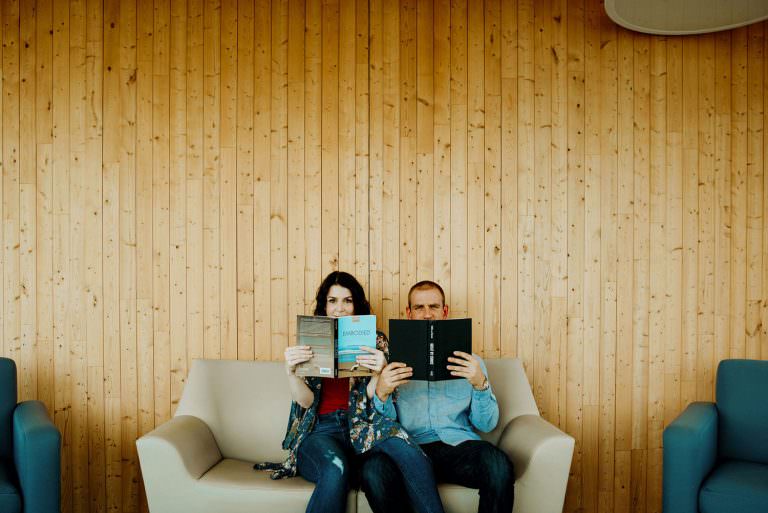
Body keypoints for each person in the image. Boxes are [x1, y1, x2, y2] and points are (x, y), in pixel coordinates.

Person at [255, 271, 445, 513]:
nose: (340, 309)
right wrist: (291, 373)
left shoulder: (377, 341)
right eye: (333, 301)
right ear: (324, 306)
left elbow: (371, 400)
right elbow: (306, 402)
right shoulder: (311, 341)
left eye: (347, 301)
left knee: (411, 452)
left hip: (365, 425)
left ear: (357, 305)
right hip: (321, 431)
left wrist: (378, 373)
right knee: (336, 468)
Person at [371, 280, 515, 513]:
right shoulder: (392, 364)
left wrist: (480, 383)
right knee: (374, 469)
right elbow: (382, 427)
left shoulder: (472, 362)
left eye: (434, 307)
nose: (427, 314)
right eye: (419, 308)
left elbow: (486, 425)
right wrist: (382, 392)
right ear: (408, 313)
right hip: (411, 451)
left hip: (457, 447)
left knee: (498, 463)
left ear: (445, 311)